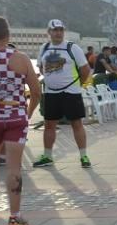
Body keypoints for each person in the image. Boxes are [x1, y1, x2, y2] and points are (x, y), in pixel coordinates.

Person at [0, 16, 41, 225]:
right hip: (16, 116)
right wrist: (26, 114)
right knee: (14, 167)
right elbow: (36, 92)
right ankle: (15, 216)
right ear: (8, 33)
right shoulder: (21, 59)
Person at [33, 19, 92, 168]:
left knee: (76, 124)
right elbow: (41, 68)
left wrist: (78, 86)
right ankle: (47, 156)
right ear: (49, 32)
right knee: (49, 125)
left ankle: (84, 156)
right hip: (51, 93)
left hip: (71, 93)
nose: (58, 33)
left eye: (61, 30)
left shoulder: (73, 48)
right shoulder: (44, 48)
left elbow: (85, 70)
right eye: (55, 30)